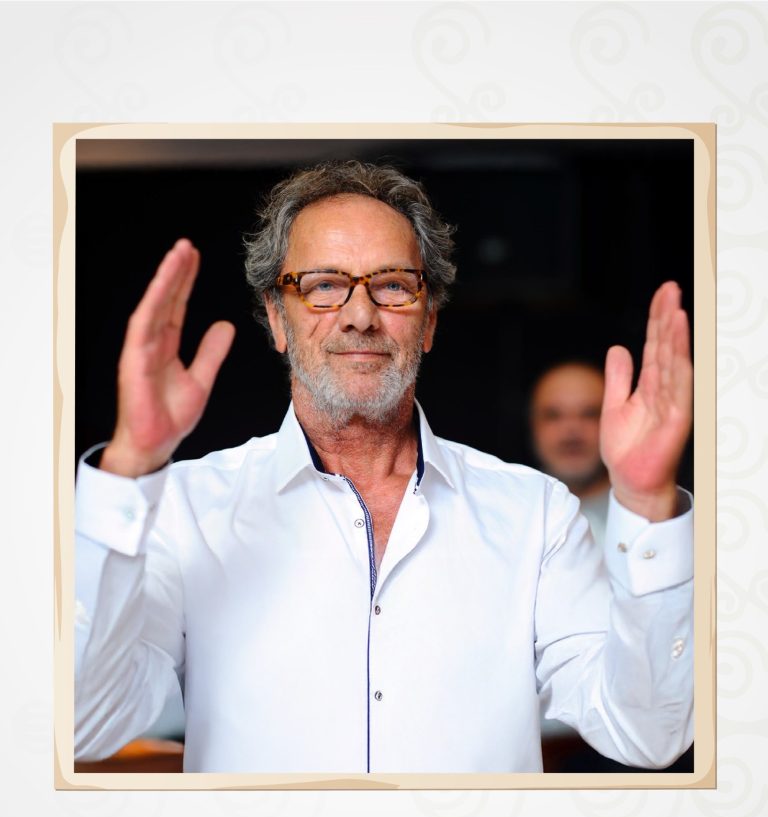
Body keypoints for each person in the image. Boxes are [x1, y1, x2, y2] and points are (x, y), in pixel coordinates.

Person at [75, 160, 694, 774]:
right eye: (323, 285)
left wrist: (646, 503)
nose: (360, 315)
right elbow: (84, 724)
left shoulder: (536, 514)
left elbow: (647, 735)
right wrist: (129, 464)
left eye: (393, 285)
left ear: (429, 321)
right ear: (277, 318)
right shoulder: (184, 510)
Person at [529, 361, 610, 546]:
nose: (571, 430)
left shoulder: (655, 512)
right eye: (553, 415)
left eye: (590, 414)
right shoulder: (505, 510)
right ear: (533, 426)